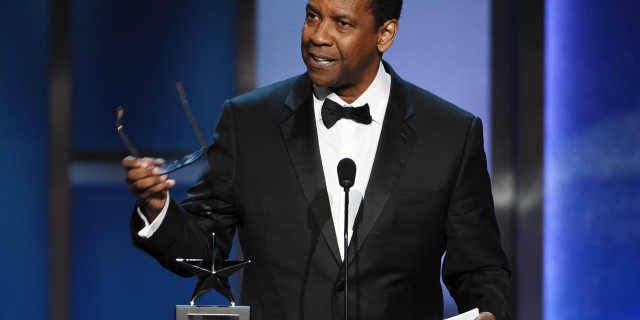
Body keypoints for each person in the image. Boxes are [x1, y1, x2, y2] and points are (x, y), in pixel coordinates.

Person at [123, 0, 511, 319]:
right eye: (312, 16)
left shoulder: (449, 133)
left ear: (385, 34)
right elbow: (204, 248)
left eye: (341, 23)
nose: (318, 36)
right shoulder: (249, 122)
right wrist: (158, 209)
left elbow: (479, 268)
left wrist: (489, 313)